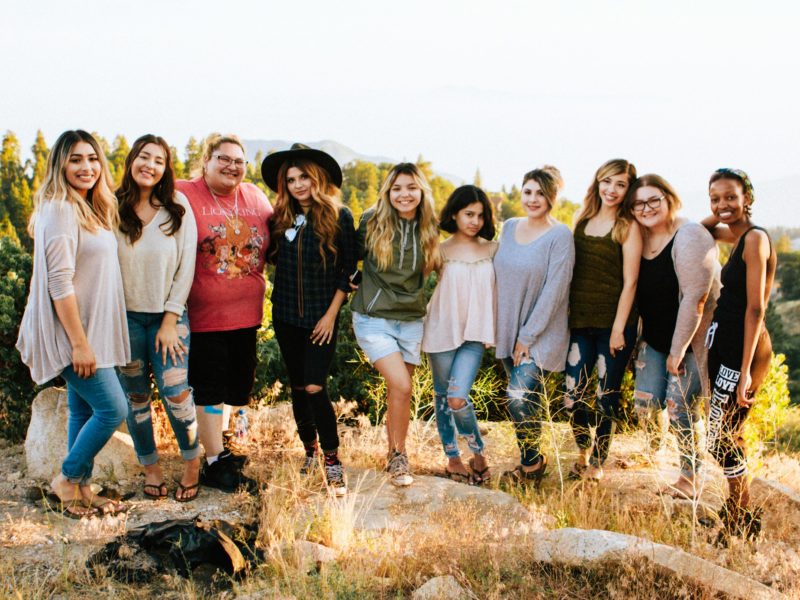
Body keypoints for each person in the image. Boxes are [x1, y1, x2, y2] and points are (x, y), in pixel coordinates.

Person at [17, 130, 130, 517]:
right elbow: (59, 282)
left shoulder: (86, 207)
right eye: (76, 159)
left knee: (83, 410)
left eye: (92, 158)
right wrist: (79, 344)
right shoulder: (61, 208)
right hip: (75, 334)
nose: (87, 167)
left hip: (92, 330)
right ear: (60, 165)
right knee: (114, 408)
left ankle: (80, 489)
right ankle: (67, 478)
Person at [176, 133, 273, 493]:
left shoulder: (256, 198)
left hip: (248, 314)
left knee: (236, 387)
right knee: (210, 388)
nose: (232, 166)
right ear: (206, 161)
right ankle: (215, 461)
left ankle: (223, 449)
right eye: (223, 158)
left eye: (238, 161)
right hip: (205, 315)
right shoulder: (184, 192)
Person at [260, 143, 355, 496]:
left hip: (321, 320)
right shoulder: (278, 218)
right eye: (291, 179)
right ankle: (309, 450)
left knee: (316, 386)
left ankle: (332, 460)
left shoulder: (338, 216)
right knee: (299, 387)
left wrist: (331, 315)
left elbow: (348, 271)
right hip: (285, 318)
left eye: (304, 177)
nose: (299, 184)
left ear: (317, 179)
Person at [115, 134, 201, 502]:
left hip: (169, 317)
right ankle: (150, 468)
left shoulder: (177, 207)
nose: (149, 165)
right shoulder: (111, 207)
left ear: (166, 169)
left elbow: (186, 269)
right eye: (143, 156)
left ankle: (191, 465)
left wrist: (169, 320)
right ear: (131, 160)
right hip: (124, 321)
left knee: (176, 394)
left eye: (159, 160)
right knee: (136, 399)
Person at [625, 174, 719, 500]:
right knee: (645, 405)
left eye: (654, 200)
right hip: (653, 339)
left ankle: (690, 477)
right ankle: (660, 450)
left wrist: (678, 350)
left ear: (669, 198)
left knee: (679, 406)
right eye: (639, 203)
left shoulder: (689, 234)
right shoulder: (639, 236)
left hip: (690, 342)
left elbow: (696, 297)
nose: (646, 208)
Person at [351, 163, 441, 486]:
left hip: (411, 320)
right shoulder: (372, 221)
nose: (404, 195)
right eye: (397, 188)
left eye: (411, 188)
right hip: (374, 319)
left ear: (421, 192)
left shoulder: (430, 226)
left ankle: (396, 455)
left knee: (399, 392)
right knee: (403, 385)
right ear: (388, 191)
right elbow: (350, 258)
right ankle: (398, 455)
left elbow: (434, 270)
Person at [702, 168, 776, 540]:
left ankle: (741, 511)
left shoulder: (755, 239)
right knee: (724, 431)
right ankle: (739, 509)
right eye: (715, 198)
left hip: (741, 349)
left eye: (730, 196)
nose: (722, 205)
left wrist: (745, 370)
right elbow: (699, 232)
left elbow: (755, 309)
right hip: (726, 344)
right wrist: (720, 214)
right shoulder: (737, 234)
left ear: (747, 196)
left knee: (720, 434)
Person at [494, 167, 574, 485]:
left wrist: (527, 336)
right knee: (523, 402)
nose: (533, 199)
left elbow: (555, 290)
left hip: (540, 334)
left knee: (517, 395)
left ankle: (532, 464)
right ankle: (531, 463)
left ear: (552, 197)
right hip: (507, 331)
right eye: (528, 191)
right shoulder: (509, 226)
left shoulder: (560, 235)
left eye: (541, 193)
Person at [563, 159, 641, 482]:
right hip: (579, 321)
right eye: (607, 182)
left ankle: (597, 460)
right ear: (597, 182)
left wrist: (619, 329)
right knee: (572, 393)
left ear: (628, 189)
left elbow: (631, 283)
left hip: (613, 325)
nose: (612, 189)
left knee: (605, 394)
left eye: (620, 184)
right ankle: (582, 448)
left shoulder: (628, 227)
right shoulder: (581, 220)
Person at [422, 185, 497, 485]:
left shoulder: (493, 249)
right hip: (440, 331)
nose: (475, 221)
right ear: (454, 213)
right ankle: (453, 457)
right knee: (443, 397)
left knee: (457, 398)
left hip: (475, 335)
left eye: (480, 215)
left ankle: (478, 453)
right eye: (469, 214)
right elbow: (411, 284)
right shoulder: (439, 249)